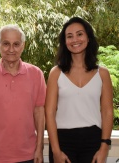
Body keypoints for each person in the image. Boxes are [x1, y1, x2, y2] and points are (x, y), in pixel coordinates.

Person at [0, 24, 46, 163]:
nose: (11, 49)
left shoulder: (36, 74)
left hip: (28, 155)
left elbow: (39, 112)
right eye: (6, 44)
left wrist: (39, 148)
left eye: (16, 44)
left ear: (23, 46)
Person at [45, 17, 113, 163]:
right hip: (62, 142)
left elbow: (107, 112)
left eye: (79, 34)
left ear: (88, 38)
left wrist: (104, 147)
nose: (75, 39)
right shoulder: (55, 73)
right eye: (69, 36)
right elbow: (49, 113)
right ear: (65, 42)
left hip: (93, 142)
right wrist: (56, 151)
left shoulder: (103, 74)